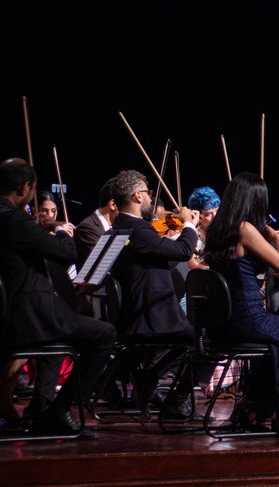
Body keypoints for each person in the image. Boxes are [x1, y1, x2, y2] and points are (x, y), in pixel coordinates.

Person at [0, 158, 116, 433]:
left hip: (16, 313)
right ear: (25, 187)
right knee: (105, 334)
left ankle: (41, 408)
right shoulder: (13, 218)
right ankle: (61, 408)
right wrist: (61, 231)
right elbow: (67, 254)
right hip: (31, 314)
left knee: (59, 341)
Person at [203, 174, 279, 436]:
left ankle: (255, 408)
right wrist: (276, 237)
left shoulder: (216, 231)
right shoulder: (245, 229)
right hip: (250, 319)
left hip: (224, 323)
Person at [109, 169, 208, 418]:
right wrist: (188, 223)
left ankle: (149, 377)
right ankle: (177, 398)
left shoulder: (119, 227)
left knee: (192, 339)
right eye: (148, 193)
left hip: (140, 313)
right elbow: (186, 251)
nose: (151, 199)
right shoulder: (139, 229)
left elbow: (156, 263)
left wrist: (169, 242)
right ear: (137, 196)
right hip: (152, 316)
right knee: (208, 340)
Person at [74, 177, 118, 268]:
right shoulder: (87, 227)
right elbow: (105, 262)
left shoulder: (116, 226)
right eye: (125, 204)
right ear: (113, 204)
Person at [186, 186, 220, 268]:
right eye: (209, 214)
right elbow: (193, 266)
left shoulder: (223, 232)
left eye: (217, 211)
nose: (215, 216)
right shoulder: (192, 238)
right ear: (199, 217)